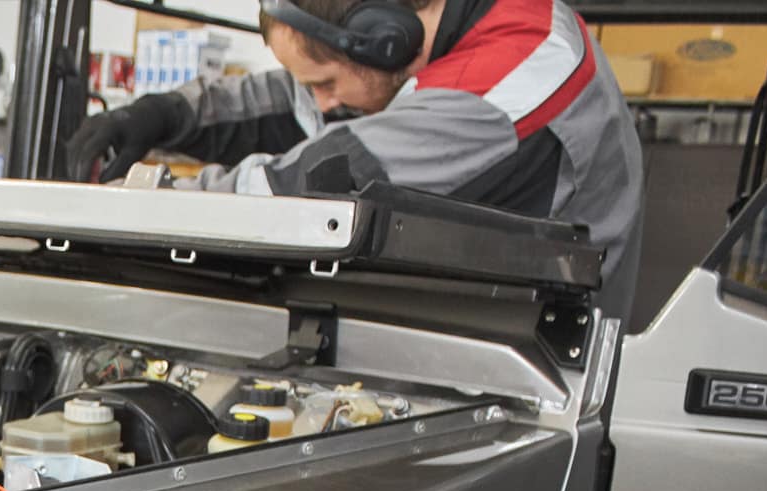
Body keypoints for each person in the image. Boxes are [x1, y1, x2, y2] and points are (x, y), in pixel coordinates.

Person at [67, 0, 644, 314]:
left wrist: (131, 206)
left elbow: (299, 188)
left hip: (550, 353)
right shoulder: (453, 28)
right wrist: (168, 114)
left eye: (327, 82)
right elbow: (295, 100)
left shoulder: (496, 88)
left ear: (382, 39)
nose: (324, 100)